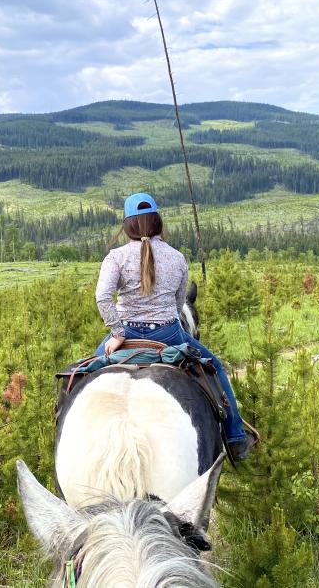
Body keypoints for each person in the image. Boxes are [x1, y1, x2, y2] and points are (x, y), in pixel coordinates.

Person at [94, 192, 257, 461]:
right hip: (168, 333)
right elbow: (179, 303)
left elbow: (102, 297)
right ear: (157, 223)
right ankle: (236, 438)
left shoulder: (116, 257)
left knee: (79, 373)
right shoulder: (177, 258)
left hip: (127, 334)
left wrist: (118, 333)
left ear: (127, 226)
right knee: (214, 366)